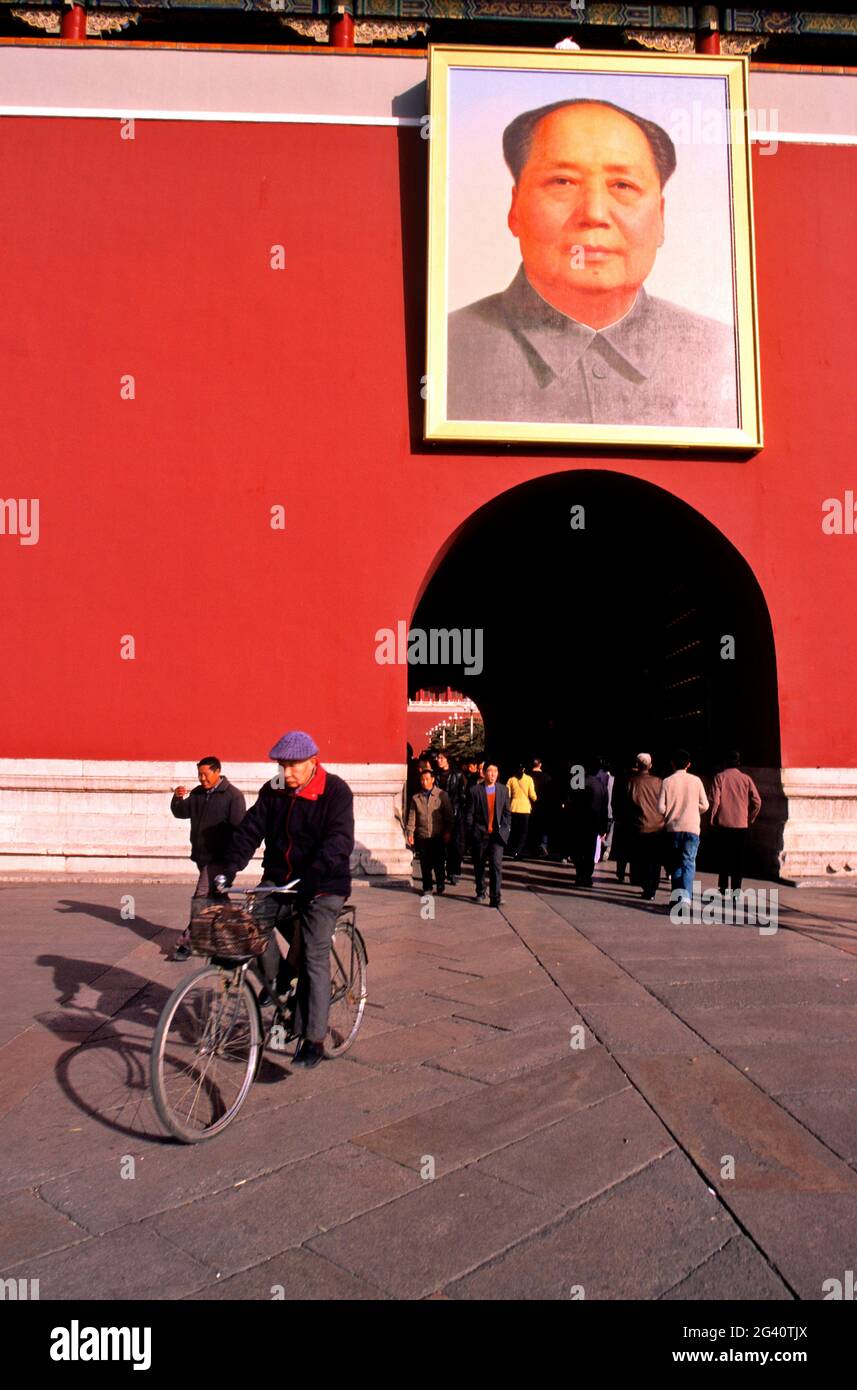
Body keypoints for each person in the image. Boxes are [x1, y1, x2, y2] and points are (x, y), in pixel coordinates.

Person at [447, 98, 737, 429]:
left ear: (661, 217)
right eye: (563, 182)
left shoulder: (723, 354)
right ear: (515, 209)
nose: (594, 214)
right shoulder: (448, 351)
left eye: (623, 186)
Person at [220, 731, 354, 1070]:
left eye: (293, 765)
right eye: (282, 765)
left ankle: (314, 1038)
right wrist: (228, 869)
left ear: (312, 761)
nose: (287, 773)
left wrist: (316, 873)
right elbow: (251, 829)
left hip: (323, 885)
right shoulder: (274, 789)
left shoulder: (335, 791)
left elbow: (339, 840)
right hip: (280, 881)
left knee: (313, 955)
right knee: (250, 926)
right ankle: (281, 978)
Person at [169, 758, 246, 961]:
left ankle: (188, 943)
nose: (202, 779)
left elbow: (240, 829)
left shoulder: (233, 796)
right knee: (218, 898)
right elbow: (181, 812)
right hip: (201, 856)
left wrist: (234, 860)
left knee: (202, 896)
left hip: (219, 858)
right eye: (199, 775)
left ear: (217, 771)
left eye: (206, 775)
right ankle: (240, 934)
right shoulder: (197, 793)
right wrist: (176, 799)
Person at [658, 748, 709, 905]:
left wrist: (669, 813)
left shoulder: (667, 781)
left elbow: (660, 808)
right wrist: (694, 809)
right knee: (688, 862)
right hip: (692, 827)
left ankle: (676, 898)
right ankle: (685, 898)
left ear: (673, 764)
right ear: (689, 764)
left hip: (673, 828)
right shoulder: (696, 781)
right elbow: (705, 805)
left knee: (675, 864)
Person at [709, 751, 762, 895]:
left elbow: (715, 800)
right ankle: (736, 890)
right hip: (740, 824)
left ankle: (723, 887)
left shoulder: (719, 777)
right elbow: (757, 801)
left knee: (724, 856)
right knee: (738, 859)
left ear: (726, 762)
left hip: (724, 823)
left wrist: (713, 817)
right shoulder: (746, 779)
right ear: (739, 763)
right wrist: (750, 817)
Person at [466, 762, 511, 907]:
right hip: (480, 834)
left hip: (497, 835)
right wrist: (472, 831)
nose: (492, 774)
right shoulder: (475, 791)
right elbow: (470, 814)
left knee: (496, 865)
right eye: (490, 771)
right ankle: (480, 891)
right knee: (479, 865)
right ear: (484, 773)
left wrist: (506, 828)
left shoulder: (503, 790)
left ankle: (495, 896)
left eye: (495, 771)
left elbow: (506, 812)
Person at [406, 767, 453, 895]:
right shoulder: (416, 798)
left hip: (438, 834)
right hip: (423, 835)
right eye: (422, 779)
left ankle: (440, 883)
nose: (424, 782)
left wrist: (448, 831)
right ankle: (427, 886)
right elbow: (412, 817)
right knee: (425, 863)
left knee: (438, 862)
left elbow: (449, 816)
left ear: (432, 780)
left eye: (427, 779)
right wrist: (410, 833)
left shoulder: (442, 795)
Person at [626, 753, 665, 900]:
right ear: (650, 765)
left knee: (641, 858)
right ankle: (652, 887)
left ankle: (646, 886)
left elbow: (627, 804)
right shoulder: (659, 782)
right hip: (657, 826)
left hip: (639, 825)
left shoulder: (632, 782)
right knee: (655, 860)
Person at [567, 760, 608, 888]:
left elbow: (571, 804)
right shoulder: (601, 786)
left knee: (578, 850)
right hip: (593, 823)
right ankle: (587, 876)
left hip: (578, 822)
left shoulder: (577, 784)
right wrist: (603, 827)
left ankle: (580, 874)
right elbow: (604, 808)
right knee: (590, 851)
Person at [433, 750, 465, 884]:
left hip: (455, 813)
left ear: (447, 759)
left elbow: (462, 795)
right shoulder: (435, 776)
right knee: (441, 845)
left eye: (441, 758)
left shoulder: (458, 775)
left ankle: (453, 872)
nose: (438, 760)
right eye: (437, 758)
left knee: (455, 845)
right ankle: (442, 872)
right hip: (439, 813)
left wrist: (459, 811)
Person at [506, 762, 537, 858]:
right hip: (525, 808)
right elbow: (532, 795)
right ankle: (518, 851)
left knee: (514, 830)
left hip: (514, 807)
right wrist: (535, 798)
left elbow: (508, 795)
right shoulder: (529, 779)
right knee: (523, 832)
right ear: (524, 769)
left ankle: (511, 849)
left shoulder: (511, 780)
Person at [528, 757, 553, 857]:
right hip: (543, 804)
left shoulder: (527, 776)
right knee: (543, 826)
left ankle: (532, 847)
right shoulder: (547, 777)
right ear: (540, 765)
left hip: (530, 804)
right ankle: (543, 844)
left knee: (532, 826)